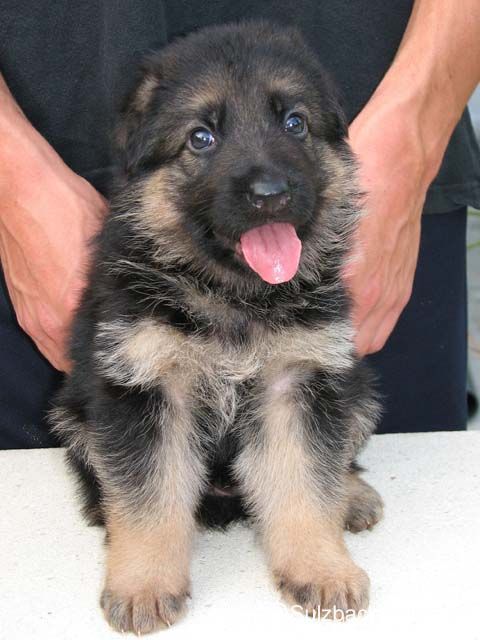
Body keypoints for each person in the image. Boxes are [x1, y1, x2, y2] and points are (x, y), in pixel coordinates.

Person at [1, 0, 479, 448]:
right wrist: (16, 183)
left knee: (380, 479)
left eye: (292, 123)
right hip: (48, 185)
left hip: (388, 142)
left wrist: (414, 136)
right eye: (202, 138)